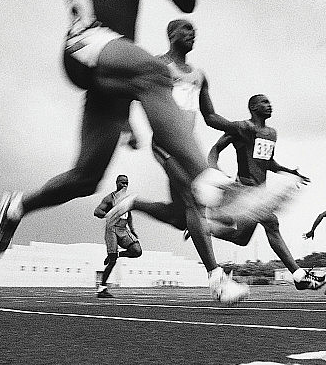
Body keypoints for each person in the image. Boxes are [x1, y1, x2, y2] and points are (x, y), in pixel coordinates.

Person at [0, 0, 266, 304]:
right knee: (157, 73)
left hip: (117, 68)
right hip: (84, 44)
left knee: (85, 178)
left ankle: (18, 206)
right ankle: (211, 185)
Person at [105, 18, 255, 302]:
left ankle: (132, 202)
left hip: (189, 147)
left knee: (178, 217)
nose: (192, 34)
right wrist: (127, 127)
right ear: (171, 34)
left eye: (195, 32)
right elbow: (127, 94)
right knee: (194, 200)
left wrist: (236, 126)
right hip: (164, 143)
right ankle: (217, 279)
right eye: (186, 30)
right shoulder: (157, 66)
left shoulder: (199, 75)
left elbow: (210, 117)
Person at [206, 94, 326, 290]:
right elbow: (215, 149)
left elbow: (268, 162)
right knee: (272, 222)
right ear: (253, 108)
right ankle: (299, 275)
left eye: (270, 102)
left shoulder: (271, 133)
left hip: (260, 192)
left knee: (241, 238)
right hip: (244, 189)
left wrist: (290, 172)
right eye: (264, 102)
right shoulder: (243, 129)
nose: (269, 105)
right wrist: (214, 172)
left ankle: (204, 228)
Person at [93, 175, 142, 298]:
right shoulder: (110, 198)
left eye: (126, 183)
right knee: (112, 261)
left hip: (123, 229)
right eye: (122, 183)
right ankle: (102, 288)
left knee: (137, 251)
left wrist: (133, 230)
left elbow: (129, 215)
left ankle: (118, 254)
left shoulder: (126, 199)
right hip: (112, 229)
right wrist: (109, 214)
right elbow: (97, 211)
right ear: (117, 183)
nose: (124, 185)